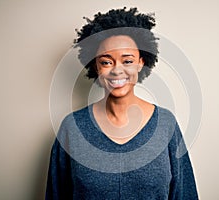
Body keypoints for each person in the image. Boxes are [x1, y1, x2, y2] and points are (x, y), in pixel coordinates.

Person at [45, 7, 198, 200]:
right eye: (106, 62)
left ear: (141, 62)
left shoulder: (165, 124)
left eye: (127, 61)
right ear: (95, 66)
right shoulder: (72, 127)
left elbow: (185, 195)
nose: (117, 70)